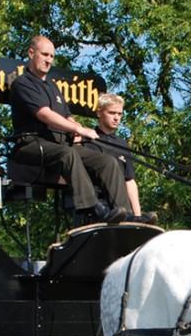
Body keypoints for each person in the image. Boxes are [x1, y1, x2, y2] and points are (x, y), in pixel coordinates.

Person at [9, 35, 130, 224]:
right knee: (68, 155)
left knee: (108, 161)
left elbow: (66, 115)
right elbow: (45, 114)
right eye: (45, 54)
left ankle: (125, 214)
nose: (49, 60)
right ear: (31, 53)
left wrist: (76, 129)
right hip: (32, 143)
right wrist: (79, 129)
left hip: (59, 143)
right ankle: (93, 208)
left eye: (52, 56)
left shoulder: (53, 87)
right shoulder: (23, 83)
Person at [91, 93, 158, 224]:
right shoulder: (88, 139)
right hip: (99, 205)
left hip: (122, 207)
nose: (116, 118)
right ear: (99, 112)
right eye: (112, 113)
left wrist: (137, 216)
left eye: (119, 114)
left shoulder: (122, 144)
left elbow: (129, 180)